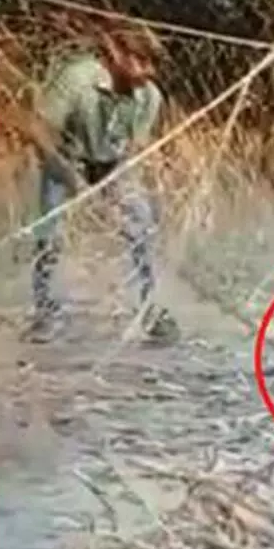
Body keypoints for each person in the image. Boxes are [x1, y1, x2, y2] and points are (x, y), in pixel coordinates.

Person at [25, 25, 180, 345]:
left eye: (152, 65)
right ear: (116, 56)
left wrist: (113, 196)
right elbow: (38, 131)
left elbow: (134, 150)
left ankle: (151, 309)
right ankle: (46, 314)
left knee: (143, 227)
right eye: (141, 62)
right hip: (65, 158)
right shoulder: (77, 79)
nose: (148, 73)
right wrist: (72, 179)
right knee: (49, 234)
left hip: (112, 163)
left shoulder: (149, 97)